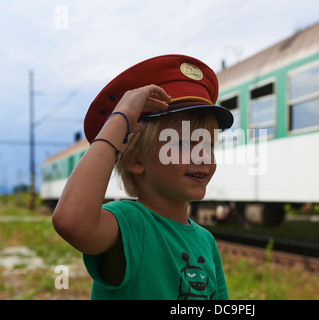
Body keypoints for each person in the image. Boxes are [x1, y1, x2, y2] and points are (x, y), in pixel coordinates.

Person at [52, 54, 233, 300]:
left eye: (208, 144)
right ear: (136, 160)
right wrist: (122, 118)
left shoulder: (206, 241)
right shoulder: (130, 225)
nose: (202, 155)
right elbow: (70, 222)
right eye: (181, 143)